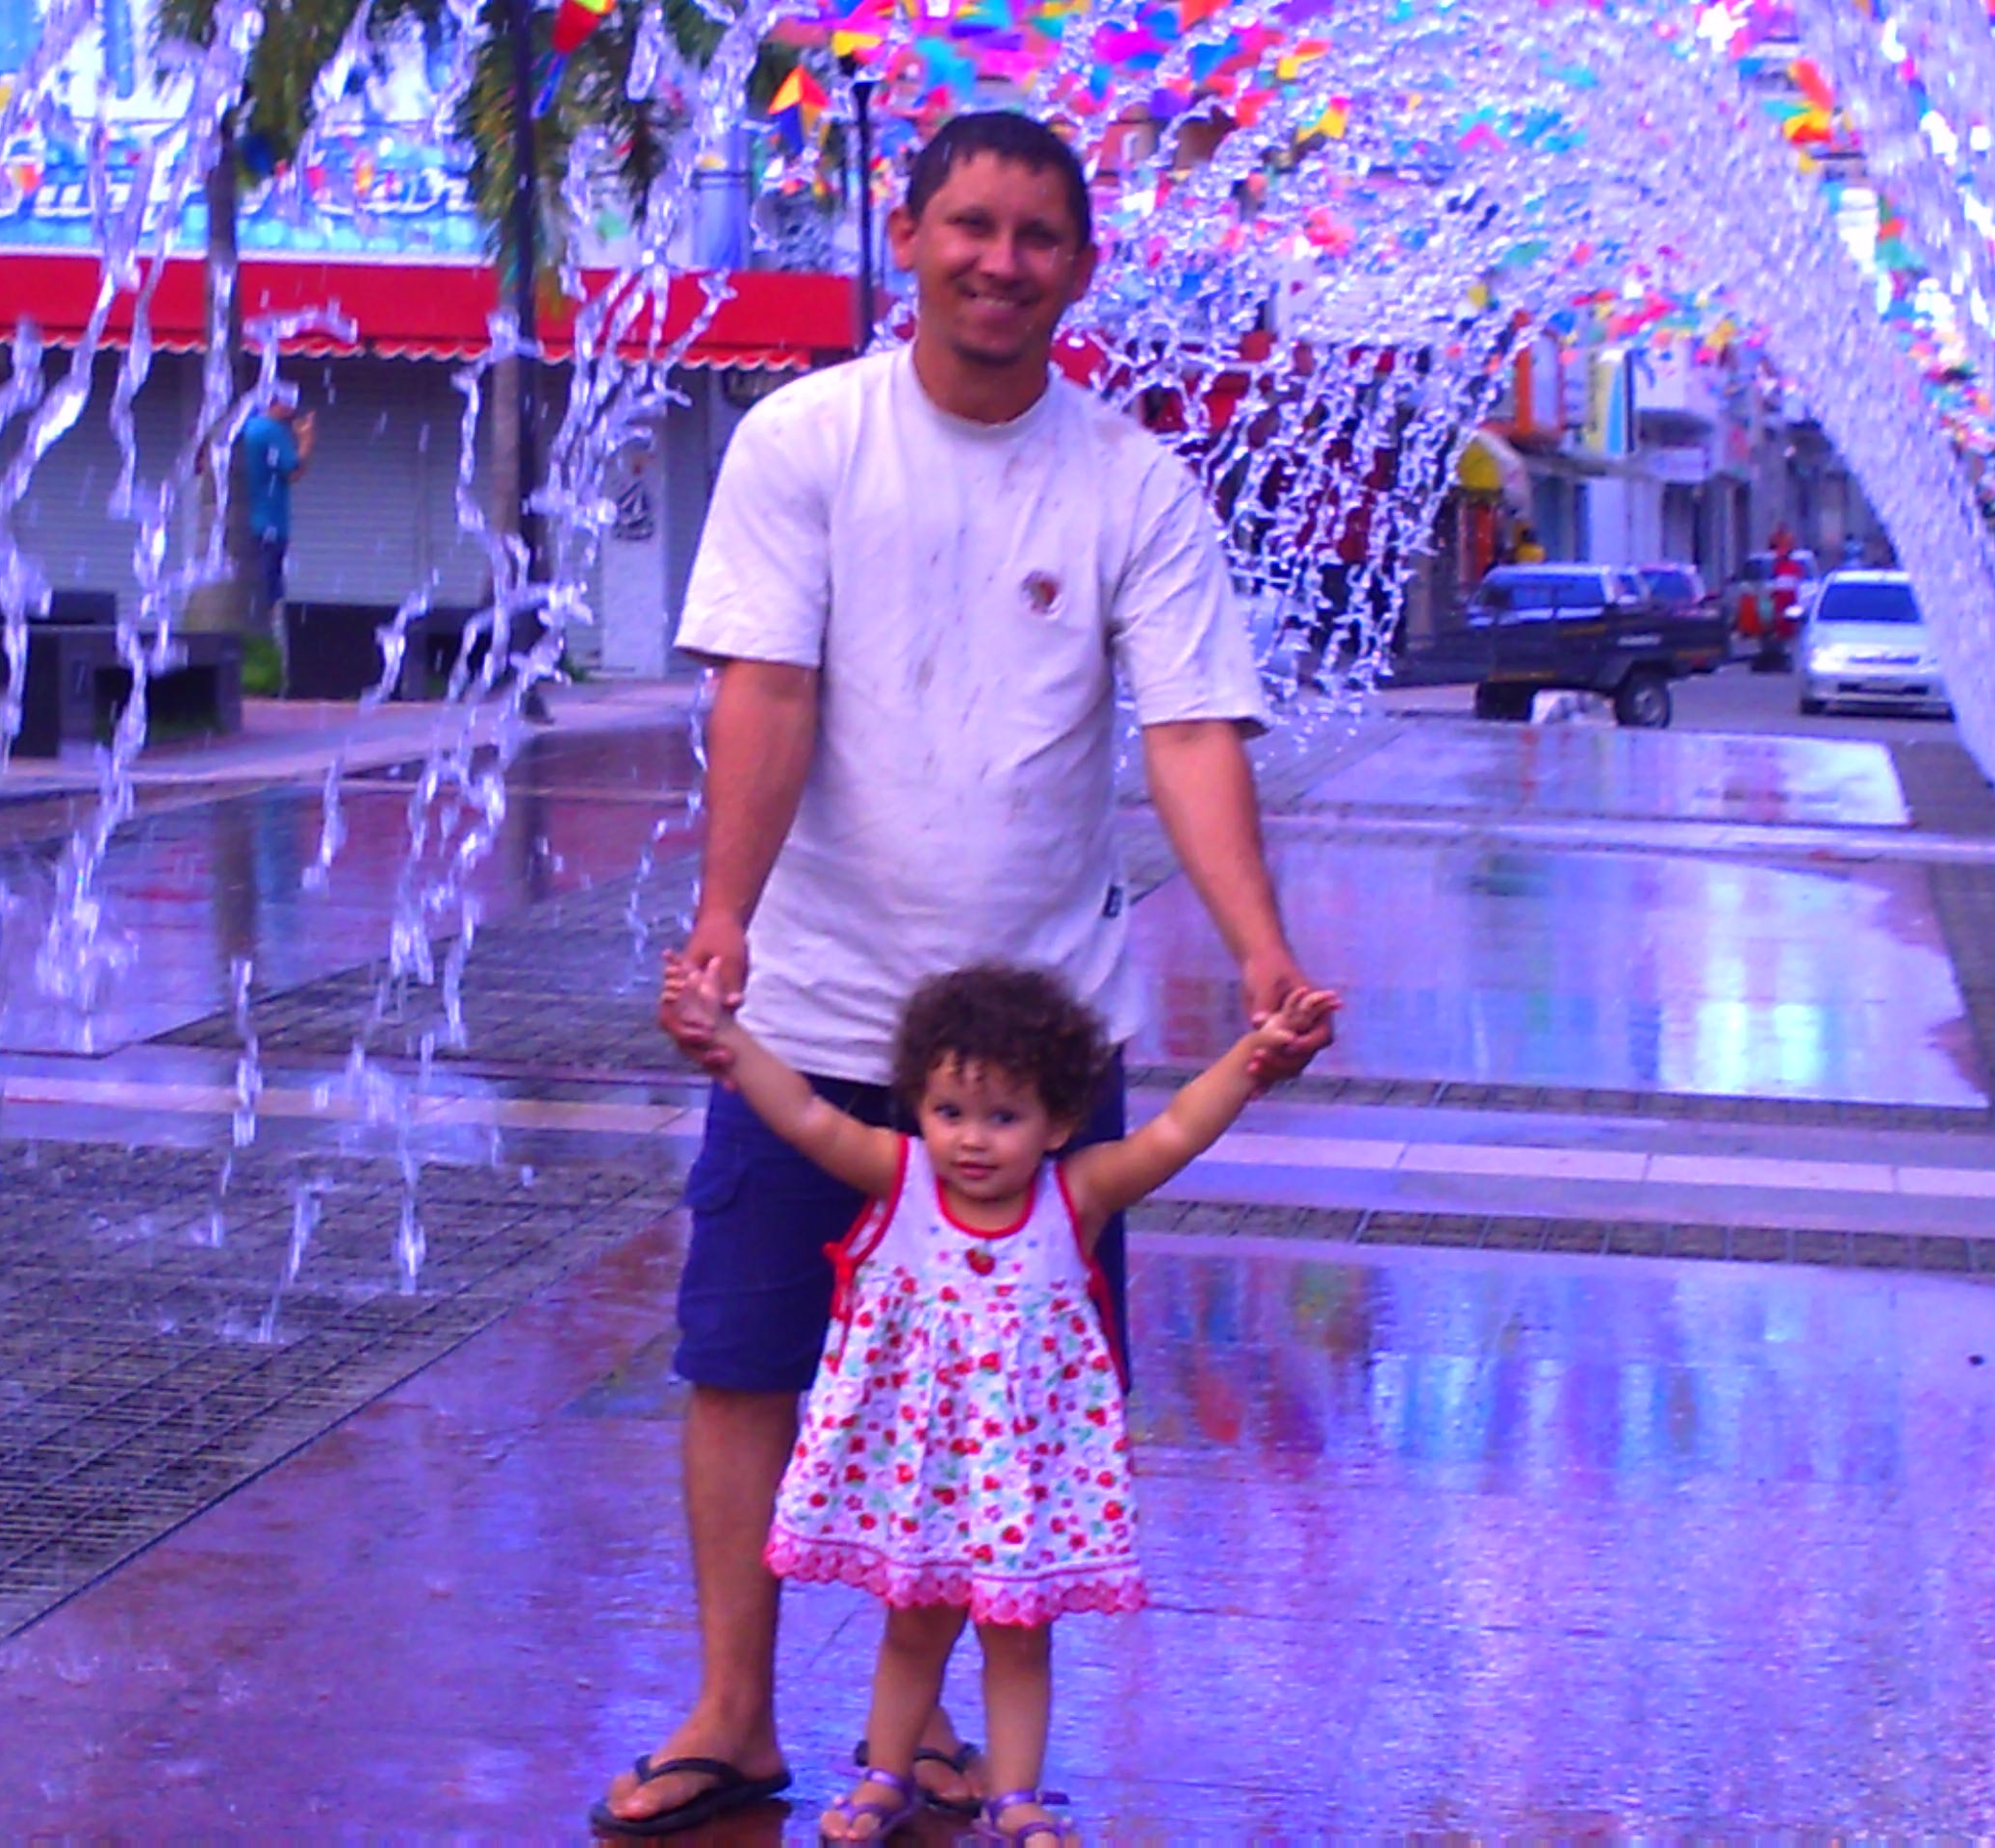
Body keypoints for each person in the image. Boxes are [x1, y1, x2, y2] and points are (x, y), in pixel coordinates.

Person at [593, 107, 1327, 1836]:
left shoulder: (1132, 483)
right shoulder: (806, 440)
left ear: (1080, 268)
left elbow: (1192, 730)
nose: (1002, 262)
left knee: (1004, 1397)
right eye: (972, 226)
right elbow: (766, 689)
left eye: (1038, 236)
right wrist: (725, 916)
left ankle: (922, 1734)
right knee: (746, 1356)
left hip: (1033, 1063)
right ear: (909, 235)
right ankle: (734, 1713)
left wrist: (1260, 947)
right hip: (819, 1008)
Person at [658, 961, 1338, 1845]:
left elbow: (1176, 1130)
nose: (971, 1141)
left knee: (1020, 1637)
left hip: (1025, 1473)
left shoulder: (1076, 1195)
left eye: (1003, 1117)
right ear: (918, 1106)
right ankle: (885, 1777)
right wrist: (727, 1037)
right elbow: (804, 1114)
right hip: (924, 1467)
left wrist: (1253, 1060)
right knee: (914, 1624)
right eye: (949, 1112)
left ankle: (1015, 1795)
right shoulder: (901, 1178)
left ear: (1060, 1121)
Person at [237, 393, 315, 689]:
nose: (294, 406)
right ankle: (266, 669)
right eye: (289, 400)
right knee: (269, 599)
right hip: (269, 526)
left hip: (245, 527)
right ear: (275, 402)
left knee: (251, 594)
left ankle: (252, 665)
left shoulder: (246, 427)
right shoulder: (271, 430)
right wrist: (306, 440)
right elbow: (293, 470)